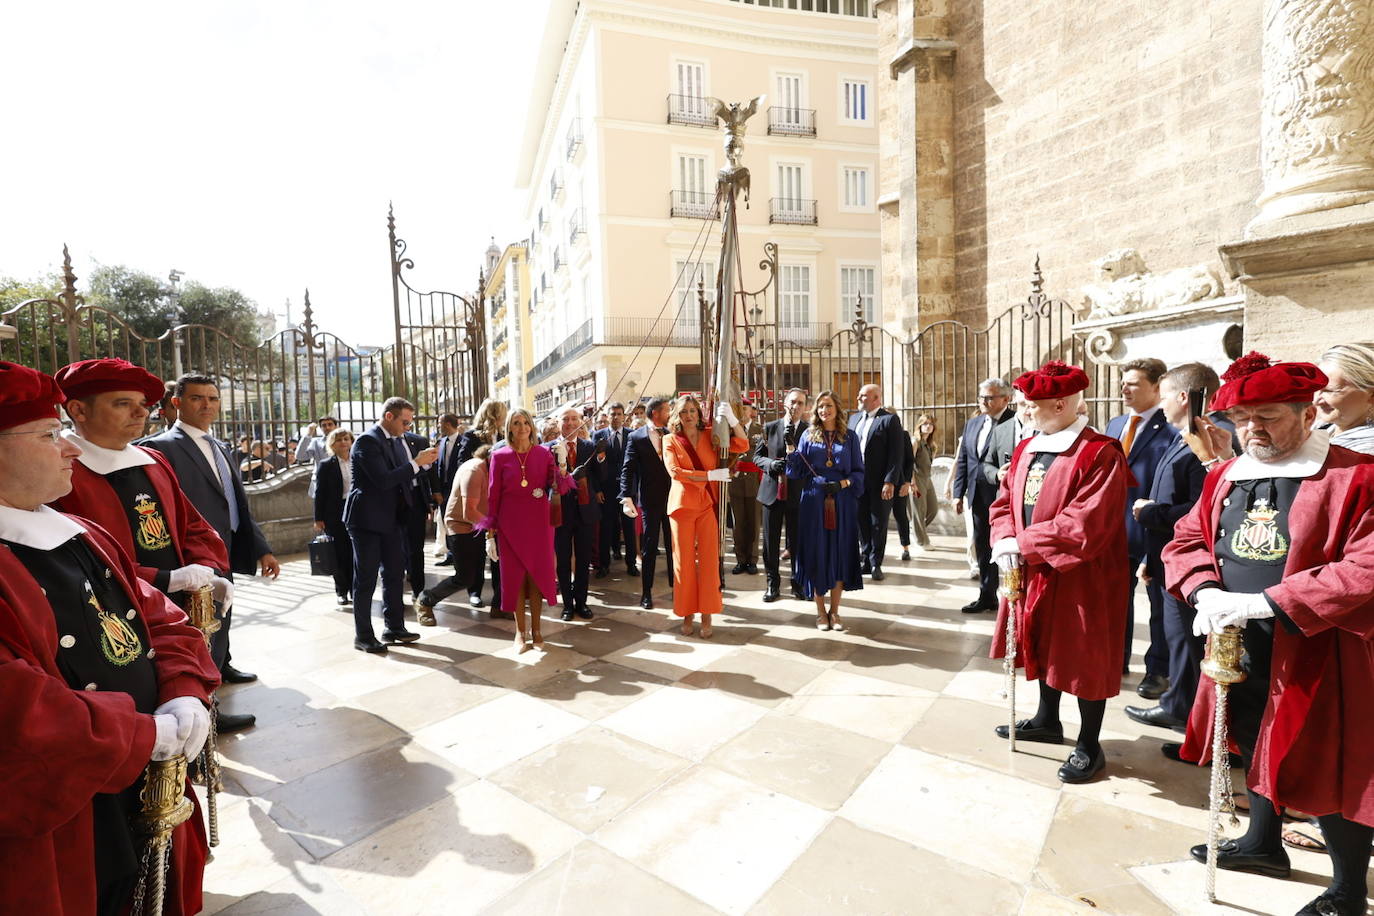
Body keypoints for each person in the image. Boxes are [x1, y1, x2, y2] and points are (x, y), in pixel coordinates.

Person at [0, 361, 220, 916]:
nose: (68, 448)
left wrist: (183, 688)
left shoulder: (78, 531)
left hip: (138, 784)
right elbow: (20, 711)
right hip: (68, 814)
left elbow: (161, 620)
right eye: (50, 435)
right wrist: (140, 734)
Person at [1163, 352, 1374, 916]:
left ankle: (1348, 887)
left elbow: (1367, 566)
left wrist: (1267, 601)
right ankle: (1262, 843)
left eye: (1270, 416)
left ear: (1308, 415)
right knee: (1256, 739)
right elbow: (1186, 540)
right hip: (1237, 639)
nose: (1253, 429)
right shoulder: (1230, 474)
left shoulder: (1356, 474)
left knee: (1328, 761)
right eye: (1243, 417)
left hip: (1319, 646)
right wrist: (1205, 590)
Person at [989, 361, 1132, 784]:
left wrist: (1026, 544)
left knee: (1083, 656)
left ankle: (1090, 744)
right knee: (1042, 641)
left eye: (1030, 405)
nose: (1024, 412)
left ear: (1060, 403)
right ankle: (1047, 719)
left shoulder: (1099, 452)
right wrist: (1003, 538)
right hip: (1033, 571)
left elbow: (1088, 521)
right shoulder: (1027, 448)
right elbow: (1004, 502)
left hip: (1083, 574)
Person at [143, 374, 280, 729]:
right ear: (177, 403)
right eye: (197, 398)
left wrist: (262, 549)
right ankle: (209, 710)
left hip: (228, 548)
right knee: (201, 628)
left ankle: (224, 664)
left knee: (223, 618)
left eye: (213, 398)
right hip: (194, 557)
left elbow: (236, 504)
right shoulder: (160, 448)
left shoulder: (218, 446)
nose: (207, 405)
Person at [50, 358, 231, 601]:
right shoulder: (57, 471)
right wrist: (164, 579)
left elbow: (192, 525)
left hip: (184, 604)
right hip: (114, 609)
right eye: (123, 403)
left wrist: (207, 569)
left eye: (142, 403)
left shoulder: (152, 460)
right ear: (78, 410)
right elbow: (72, 559)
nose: (142, 412)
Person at [1121, 362, 1222, 733]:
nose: (1161, 406)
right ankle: (1180, 706)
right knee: (1178, 637)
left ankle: (1183, 711)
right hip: (1164, 554)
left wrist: (1151, 513)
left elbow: (1202, 509)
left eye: (1164, 397)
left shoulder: (1208, 441)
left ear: (1183, 397)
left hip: (1188, 559)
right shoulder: (1182, 435)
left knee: (1184, 640)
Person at [1105, 357, 1178, 696]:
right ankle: (1114, 658)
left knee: (1159, 608)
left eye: (1133, 383)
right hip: (1113, 531)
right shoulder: (1115, 423)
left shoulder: (1172, 427)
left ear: (1156, 387)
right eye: (1124, 382)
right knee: (1114, 601)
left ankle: (1157, 670)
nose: (1124, 388)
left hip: (1154, 531)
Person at [343, 396, 438, 653]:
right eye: (404, 422)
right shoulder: (367, 441)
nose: (408, 427)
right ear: (389, 417)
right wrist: (416, 463)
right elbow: (384, 480)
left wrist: (421, 466)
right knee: (366, 579)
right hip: (367, 520)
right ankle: (363, 636)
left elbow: (405, 477)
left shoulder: (397, 441)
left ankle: (394, 626)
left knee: (394, 574)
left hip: (393, 519)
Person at [483, 410, 576, 649]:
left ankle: (537, 630)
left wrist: (563, 464)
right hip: (510, 525)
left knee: (536, 577)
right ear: (510, 428)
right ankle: (519, 633)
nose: (523, 427)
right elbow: (492, 497)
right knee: (515, 579)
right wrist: (490, 534)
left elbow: (559, 486)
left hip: (539, 524)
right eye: (517, 423)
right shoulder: (499, 456)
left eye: (526, 422)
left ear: (532, 427)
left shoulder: (544, 453)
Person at [663, 395, 748, 638]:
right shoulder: (669, 440)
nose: (689, 416)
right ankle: (688, 613)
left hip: (706, 505)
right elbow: (676, 472)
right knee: (684, 563)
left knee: (710, 562)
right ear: (676, 416)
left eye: (692, 411)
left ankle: (707, 614)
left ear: (699, 414)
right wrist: (711, 476)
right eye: (684, 412)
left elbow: (742, 445)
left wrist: (732, 420)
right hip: (681, 508)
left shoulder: (712, 433)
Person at [787, 390, 864, 630]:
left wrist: (842, 484)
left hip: (842, 503)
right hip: (813, 502)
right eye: (820, 407)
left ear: (837, 408)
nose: (824, 410)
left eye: (828, 406)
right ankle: (820, 612)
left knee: (839, 554)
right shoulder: (808, 436)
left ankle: (836, 612)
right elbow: (796, 471)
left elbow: (859, 472)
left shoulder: (849, 437)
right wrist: (791, 450)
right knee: (818, 553)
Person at [416, 444, 498, 627]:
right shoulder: (475, 469)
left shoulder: (491, 467)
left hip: (480, 524)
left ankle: (499, 605)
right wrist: (493, 527)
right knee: (465, 577)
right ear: (491, 456)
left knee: (490, 568)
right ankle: (426, 599)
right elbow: (469, 512)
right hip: (462, 526)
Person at [952, 378, 1016, 612]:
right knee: (983, 545)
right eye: (981, 397)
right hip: (977, 495)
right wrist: (958, 493)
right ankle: (987, 594)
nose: (984, 402)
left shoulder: (1015, 423)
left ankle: (1013, 597)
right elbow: (965, 461)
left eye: (990, 397)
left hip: (1003, 496)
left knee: (1008, 548)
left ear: (1006, 399)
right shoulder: (973, 424)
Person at [620, 396, 674, 609]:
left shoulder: (672, 434)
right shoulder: (637, 437)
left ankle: (676, 587)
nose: (670, 414)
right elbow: (628, 469)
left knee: (673, 546)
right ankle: (646, 593)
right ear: (656, 413)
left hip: (673, 499)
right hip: (650, 501)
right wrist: (626, 496)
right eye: (667, 410)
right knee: (650, 548)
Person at [552, 405, 605, 621]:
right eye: (566, 419)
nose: (571, 423)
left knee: (583, 559)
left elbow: (602, 477)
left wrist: (602, 457)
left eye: (575, 418)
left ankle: (581, 602)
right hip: (561, 512)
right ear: (559, 424)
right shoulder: (549, 448)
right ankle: (567, 604)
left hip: (585, 512)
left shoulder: (589, 447)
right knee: (563, 560)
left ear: (581, 421)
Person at [848, 384, 903, 580]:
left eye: (863, 395)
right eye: (859, 394)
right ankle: (865, 559)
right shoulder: (853, 419)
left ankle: (875, 562)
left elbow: (896, 454)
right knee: (861, 520)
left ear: (876, 398)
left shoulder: (889, 420)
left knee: (878, 522)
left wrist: (890, 481)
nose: (858, 398)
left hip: (880, 482)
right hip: (857, 480)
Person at [757, 388, 807, 602]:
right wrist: (770, 464)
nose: (795, 406)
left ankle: (798, 582)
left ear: (805, 407)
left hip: (798, 495)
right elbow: (757, 457)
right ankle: (772, 582)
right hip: (772, 493)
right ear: (784, 403)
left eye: (800, 403)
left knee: (797, 540)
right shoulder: (770, 428)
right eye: (792, 402)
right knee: (770, 540)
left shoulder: (809, 430)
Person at [457, 399, 507, 607]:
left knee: (500, 548)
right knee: (476, 547)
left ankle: (500, 594)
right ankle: (474, 591)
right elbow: (461, 463)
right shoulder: (471, 436)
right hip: (478, 497)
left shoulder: (505, 436)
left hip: (500, 499)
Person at [312, 427, 356, 607]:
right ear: (332, 444)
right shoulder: (326, 465)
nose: (344, 442)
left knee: (355, 552)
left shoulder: (358, 460)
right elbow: (320, 493)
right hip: (334, 514)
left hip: (356, 510)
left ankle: (355, 589)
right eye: (339, 440)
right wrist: (318, 518)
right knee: (339, 552)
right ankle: (341, 590)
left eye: (346, 439)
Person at [593, 401, 637, 577]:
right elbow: (594, 466)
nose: (616, 417)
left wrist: (635, 488)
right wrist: (597, 489)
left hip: (627, 490)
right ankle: (604, 564)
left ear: (624, 416)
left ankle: (631, 563)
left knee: (629, 528)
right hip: (607, 489)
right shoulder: (598, 435)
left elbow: (636, 463)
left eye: (619, 414)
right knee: (606, 528)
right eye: (613, 414)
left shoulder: (632, 435)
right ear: (607, 416)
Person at [1314, 342, 1374, 455]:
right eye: (1316, 388)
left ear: (1372, 395)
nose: (1316, 401)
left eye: (1330, 391)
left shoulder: (1365, 455)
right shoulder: (1321, 428)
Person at [727, 399, 764, 574]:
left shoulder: (760, 430)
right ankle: (741, 559)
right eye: (739, 409)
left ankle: (753, 559)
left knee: (754, 523)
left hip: (755, 482)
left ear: (751, 411)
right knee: (738, 523)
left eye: (745, 408)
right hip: (736, 481)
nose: (742, 412)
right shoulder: (730, 431)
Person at [400, 424, 435, 602]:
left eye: (408, 423)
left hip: (415, 499)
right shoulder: (382, 444)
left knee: (416, 548)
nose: (405, 426)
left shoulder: (418, 441)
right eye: (403, 421)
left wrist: (431, 498)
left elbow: (429, 471)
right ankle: (395, 593)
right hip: (394, 500)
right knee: (396, 549)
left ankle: (418, 589)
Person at [431, 413, 463, 566]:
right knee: (446, 522)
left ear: (448, 424)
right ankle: (451, 553)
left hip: (458, 489)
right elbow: (438, 467)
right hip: (443, 491)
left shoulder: (463, 441)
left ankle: (460, 554)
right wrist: (436, 490)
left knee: (458, 523)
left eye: (440, 423)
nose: (438, 426)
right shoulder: (441, 442)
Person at [909, 414, 939, 551]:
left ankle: (914, 530)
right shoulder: (915, 441)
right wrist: (912, 482)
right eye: (925, 424)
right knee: (919, 511)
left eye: (931, 424)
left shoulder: (931, 445)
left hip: (927, 479)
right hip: (917, 479)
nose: (928, 426)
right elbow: (909, 463)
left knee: (933, 509)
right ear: (919, 426)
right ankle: (921, 541)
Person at [295, 416, 339, 498]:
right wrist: (308, 435)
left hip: (340, 482)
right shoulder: (316, 442)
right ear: (321, 428)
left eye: (330, 424)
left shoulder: (344, 441)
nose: (327, 427)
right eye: (324, 425)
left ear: (336, 426)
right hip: (322, 483)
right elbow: (300, 456)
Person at [891, 420, 916, 560]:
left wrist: (907, 482)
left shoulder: (903, 435)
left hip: (900, 482)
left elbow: (909, 460)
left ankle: (905, 548)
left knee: (900, 515)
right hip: (880, 483)